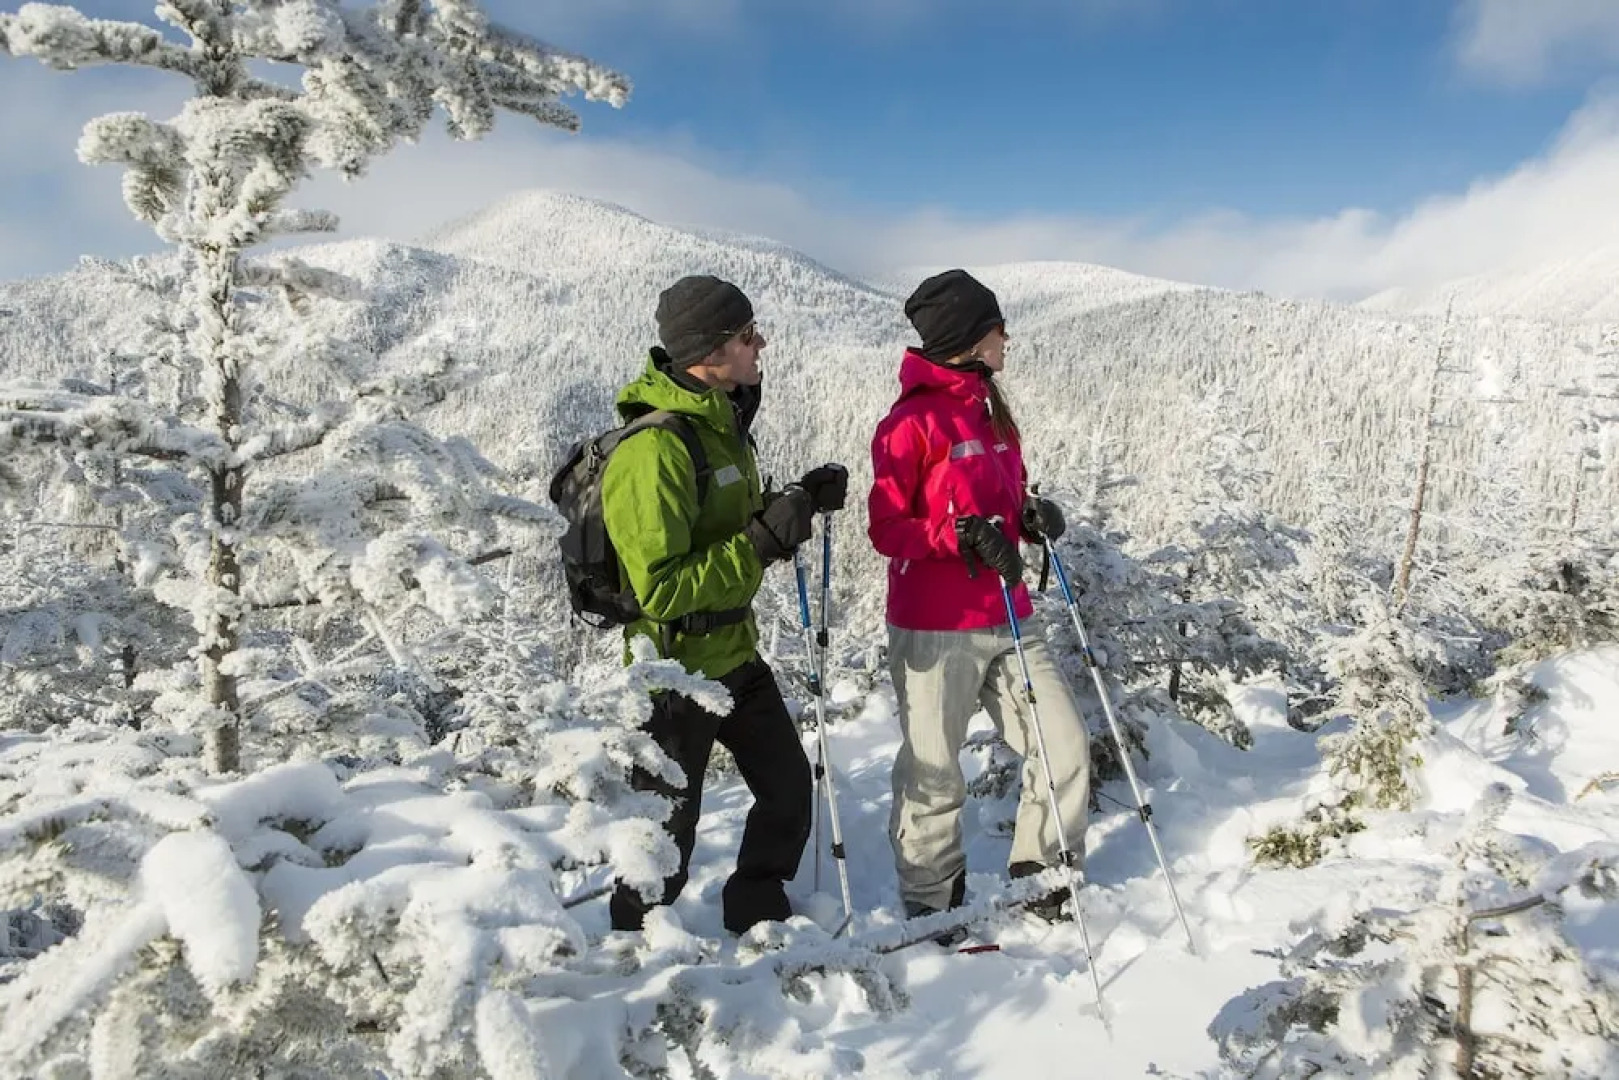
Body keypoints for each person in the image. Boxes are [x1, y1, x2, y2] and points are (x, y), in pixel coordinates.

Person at [602, 274, 849, 935]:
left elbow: (730, 528)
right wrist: (765, 540)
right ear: (708, 352)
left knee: (788, 792)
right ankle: (632, 948)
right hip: (672, 674)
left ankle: (757, 910)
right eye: (746, 335)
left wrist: (794, 501)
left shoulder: (723, 426)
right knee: (665, 844)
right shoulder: (654, 451)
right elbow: (660, 589)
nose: (759, 342)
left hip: (734, 655)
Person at [866, 268, 1091, 929]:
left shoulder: (989, 412)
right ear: (967, 338)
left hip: (1009, 614)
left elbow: (1000, 500)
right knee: (933, 772)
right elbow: (885, 528)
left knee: (1063, 746)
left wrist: (1029, 517)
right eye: (997, 328)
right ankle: (932, 902)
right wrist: (958, 537)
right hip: (937, 626)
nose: (1007, 339)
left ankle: (1042, 876)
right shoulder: (908, 424)